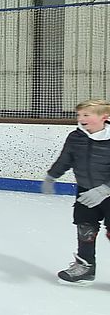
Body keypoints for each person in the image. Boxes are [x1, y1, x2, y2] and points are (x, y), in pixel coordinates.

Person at [42, 99, 110, 284]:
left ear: (104, 117)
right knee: (85, 227)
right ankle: (85, 267)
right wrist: (51, 176)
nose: (81, 118)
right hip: (85, 191)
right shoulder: (75, 137)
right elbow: (66, 159)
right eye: (79, 115)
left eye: (86, 115)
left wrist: (105, 189)